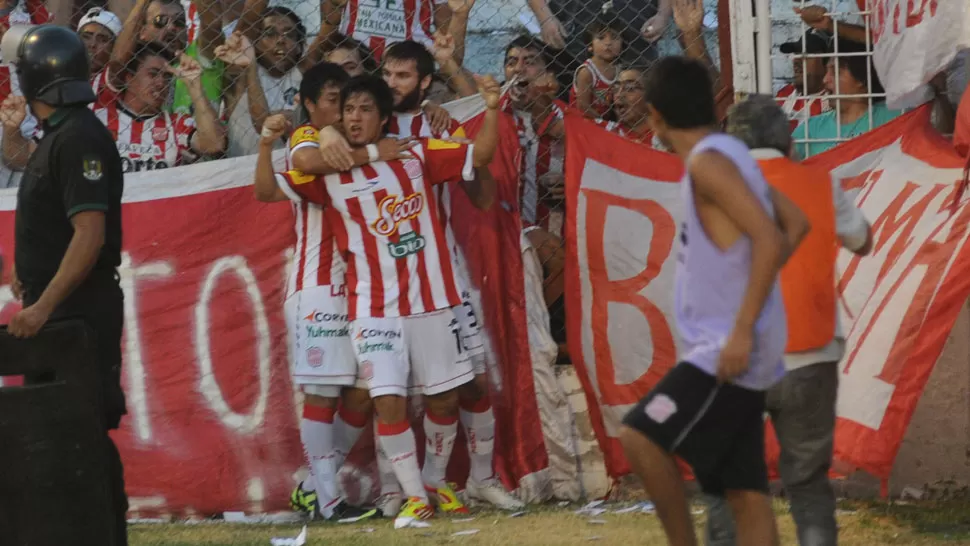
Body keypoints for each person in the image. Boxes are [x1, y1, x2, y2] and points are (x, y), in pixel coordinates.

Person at [273, 73, 501, 527]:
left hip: (433, 301)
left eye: (365, 110)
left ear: (383, 117)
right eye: (348, 110)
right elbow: (273, 182)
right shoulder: (328, 170)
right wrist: (269, 146)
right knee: (387, 400)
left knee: (443, 400)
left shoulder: (416, 155)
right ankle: (414, 496)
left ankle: (436, 483)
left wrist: (492, 109)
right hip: (372, 309)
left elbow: (481, 154)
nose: (355, 117)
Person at [617, 56, 810, 546]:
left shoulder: (709, 162)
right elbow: (796, 223)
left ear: (655, 116)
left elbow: (770, 237)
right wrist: (754, 308)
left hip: (725, 350)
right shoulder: (726, 152)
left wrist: (744, 325)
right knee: (744, 491)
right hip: (737, 346)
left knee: (641, 436)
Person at [704, 94, 872, 546]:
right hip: (810, 353)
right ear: (788, 140)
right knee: (808, 483)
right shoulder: (821, 184)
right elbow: (861, 239)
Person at [2, 24, 128, 546]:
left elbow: (90, 234)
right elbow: (58, 226)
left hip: (76, 316)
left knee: (78, 432)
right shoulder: (58, 137)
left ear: (35, 77)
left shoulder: (79, 137)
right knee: (51, 433)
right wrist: (21, 278)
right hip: (59, 315)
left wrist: (42, 307)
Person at [792, 39, 901, 158]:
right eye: (827, 71)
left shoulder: (895, 118)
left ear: (861, 79)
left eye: (835, 72)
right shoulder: (810, 129)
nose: (825, 79)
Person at [570, 13, 623, 119]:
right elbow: (583, 107)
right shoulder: (587, 72)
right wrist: (605, 124)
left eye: (614, 37)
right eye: (601, 37)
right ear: (590, 46)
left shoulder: (620, 70)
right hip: (584, 122)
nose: (608, 43)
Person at [776, 31, 831, 131]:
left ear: (827, 62)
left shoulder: (834, 102)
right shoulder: (785, 94)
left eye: (806, 55)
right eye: (796, 54)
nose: (796, 60)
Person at [77, 7, 124, 76]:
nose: (92, 44)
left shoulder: (112, 78)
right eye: (86, 37)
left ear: (114, 46)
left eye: (103, 40)